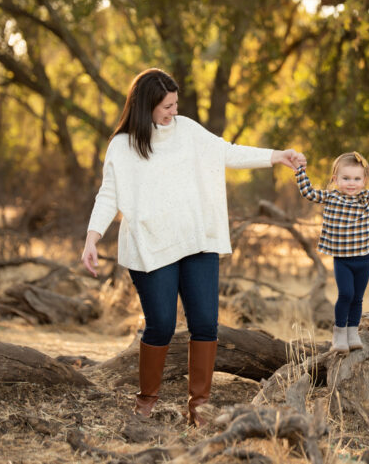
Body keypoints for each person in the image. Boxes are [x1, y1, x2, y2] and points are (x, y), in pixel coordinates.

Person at [81, 68, 305, 427]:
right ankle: (146, 401)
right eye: (166, 106)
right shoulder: (122, 146)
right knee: (162, 325)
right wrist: (93, 238)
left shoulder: (187, 131)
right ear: (146, 105)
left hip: (196, 241)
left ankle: (199, 406)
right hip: (150, 245)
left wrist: (277, 155)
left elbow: (227, 152)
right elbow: (109, 194)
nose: (173, 111)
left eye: (175, 104)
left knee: (205, 323)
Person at [295, 152, 369, 353]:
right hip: (343, 260)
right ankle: (339, 333)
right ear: (335, 180)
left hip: (364, 259)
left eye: (357, 178)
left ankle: (353, 332)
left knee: (358, 297)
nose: (351, 183)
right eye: (346, 178)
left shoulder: (368, 197)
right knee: (346, 293)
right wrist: (300, 170)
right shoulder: (331, 197)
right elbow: (308, 192)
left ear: (364, 180)